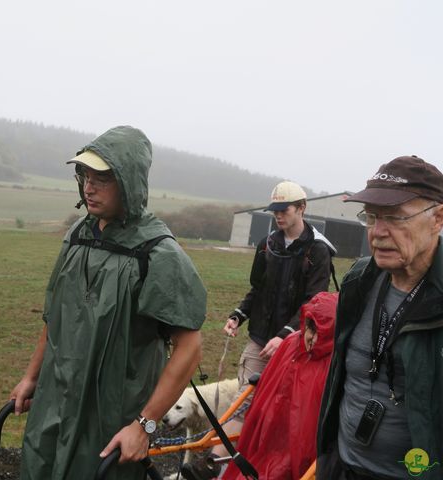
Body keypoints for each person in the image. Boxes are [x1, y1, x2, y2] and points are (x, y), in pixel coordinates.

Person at [9, 125, 207, 480]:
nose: (89, 186)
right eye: (84, 175)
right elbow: (55, 316)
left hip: (113, 415)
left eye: (102, 177)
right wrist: (30, 377)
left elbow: (189, 347)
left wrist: (144, 426)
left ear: (129, 182)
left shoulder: (158, 253)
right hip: (57, 401)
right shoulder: (78, 236)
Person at [182, 181, 335, 480]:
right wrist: (239, 314)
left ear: (302, 208)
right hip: (260, 339)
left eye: (284, 209)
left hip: (294, 346)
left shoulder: (318, 251)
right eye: (274, 210)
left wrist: (286, 334)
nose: (278, 216)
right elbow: (258, 289)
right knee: (245, 400)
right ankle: (221, 465)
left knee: (271, 410)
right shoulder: (268, 245)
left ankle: (217, 462)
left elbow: (314, 303)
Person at [317, 156, 443, 480]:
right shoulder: (360, 278)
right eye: (371, 217)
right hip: (341, 466)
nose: (378, 232)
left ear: (438, 218)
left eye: (395, 218)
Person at [222, 291, 337, 480]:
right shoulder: (292, 344)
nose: (313, 339)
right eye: (311, 330)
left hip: (299, 449)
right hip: (269, 435)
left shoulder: (334, 362)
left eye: (321, 333)